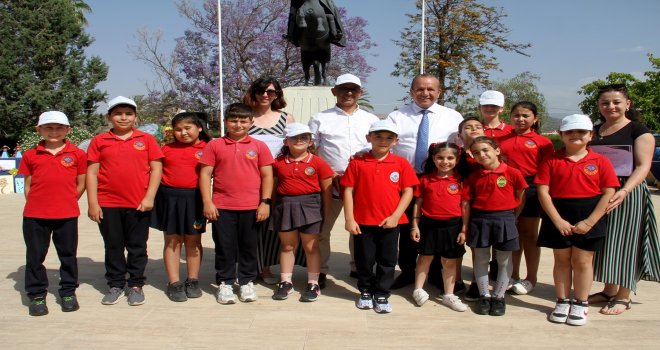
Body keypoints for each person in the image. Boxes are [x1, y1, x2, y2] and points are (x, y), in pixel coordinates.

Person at [536, 114, 618, 326]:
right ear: (561, 135)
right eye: (570, 132)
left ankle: (581, 302)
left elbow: (608, 192)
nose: (575, 135)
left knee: (582, 261)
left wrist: (590, 222)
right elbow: (543, 192)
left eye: (581, 132)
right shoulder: (551, 160)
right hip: (559, 214)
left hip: (589, 214)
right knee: (562, 260)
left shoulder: (600, 161)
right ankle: (562, 301)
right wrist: (557, 220)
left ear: (591, 135)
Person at [387, 73, 464, 290]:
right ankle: (408, 272)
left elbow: (463, 147)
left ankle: (439, 274)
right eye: (420, 89)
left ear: (439, 92)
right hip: (407, 180)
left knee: (440, 227)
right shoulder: (397, 117)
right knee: (408, 227)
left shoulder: (453, 117)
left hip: (441, 180)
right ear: (412, 92)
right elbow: (384, 143)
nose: (425, 93)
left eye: (431, 89)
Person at [589, 84, 660, 315]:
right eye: (605, 103)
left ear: (627, 104)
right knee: (608, 243)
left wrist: (625, 190)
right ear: (599, 107)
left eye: (616, 102)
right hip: (599, 192)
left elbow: (643, 166)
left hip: (627, 193)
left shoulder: (638, 131)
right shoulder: (595, 131)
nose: (611, 106)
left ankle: (624, 295)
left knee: (626, 243)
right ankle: (609, 290)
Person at [87, 96, 164, 306]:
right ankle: (115, 284)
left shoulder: (146, 140)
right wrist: (93, 203)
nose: (123, 117)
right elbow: (92, 173)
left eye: (128, 114)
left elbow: (157, 169)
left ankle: (136, 284)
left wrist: (149, 197)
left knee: (137, 246)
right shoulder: (99, 141)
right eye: (118, 113)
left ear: (135, 117)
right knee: (113, 246)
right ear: (109, 116)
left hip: (138, 204)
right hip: (108, 204)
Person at [199, 103, 274, 304]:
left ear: (251, 122)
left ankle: (247, 281)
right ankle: (225, 282)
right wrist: (208, 202)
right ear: (226, 122)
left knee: (249, 247)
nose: (238, 124)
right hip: (222, 207)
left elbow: (267, 175)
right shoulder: (214, 145)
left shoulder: (259, 146)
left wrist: (265, 202)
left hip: (252, 207)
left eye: (243, 120)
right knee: (225, 247)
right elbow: (205, 174)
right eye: (233, 120)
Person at [308, 73, 379, 287]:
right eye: (343, 89)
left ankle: (358, 266)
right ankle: (319, 270)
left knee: (360, 228)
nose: (348, 93)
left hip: (362, 182)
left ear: (360, 93)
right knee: (322, 229)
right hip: (330, 182)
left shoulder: (371, 120)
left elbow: (376, 150)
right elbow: (311, 150)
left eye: (353, 89)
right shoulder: (320, 118)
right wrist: (328, 173)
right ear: (334, 91)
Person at [341, 120, 419, 313]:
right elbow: (348, 190)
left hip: (390, 223)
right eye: (378, 136)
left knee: (388, 259)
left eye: (388, 138)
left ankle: (382, 293)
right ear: (369, 138)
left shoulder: (401, 163)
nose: (383, 141)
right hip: (363, 221)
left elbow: (408, 191)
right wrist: (349, 218)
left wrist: (396, 216)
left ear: (395, 141)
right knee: (364, 259)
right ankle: (366, 290)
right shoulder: (357, 162)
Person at [18, 111, 87, 316]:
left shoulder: (77, 154)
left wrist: (66, 201)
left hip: (66, 214)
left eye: (59, 128)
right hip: (35, 215)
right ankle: (37, 294)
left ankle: (67, 292)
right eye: (48, 128)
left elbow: (81, 183)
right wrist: (38, 203)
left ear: (68, 130)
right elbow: (28, 185)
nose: (54, 132)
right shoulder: (31, 154)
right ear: (38, 130)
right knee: (35, 256)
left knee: (67, 255)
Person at [150, 111, 211, 302]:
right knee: (173, 241)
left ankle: (192, 280)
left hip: (195, 199)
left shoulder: (208, 148)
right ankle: (174, 283)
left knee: (193, 242)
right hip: (169, 199)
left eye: (187, 128)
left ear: (199, 128)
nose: (183, 132)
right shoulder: (165, 149)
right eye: (178, 129)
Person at [462, 136, 527, 316]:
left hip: (505, 219)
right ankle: (484, 295)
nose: (481, 155)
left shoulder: (513, 173)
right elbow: (467, 202)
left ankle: (499, 296)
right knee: (481, 258)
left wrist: (513, 216)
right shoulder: (473, 176)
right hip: (480, 219)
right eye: (476, 153)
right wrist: (465, 227)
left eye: (485, 150)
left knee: (504, 260)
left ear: (497, 150)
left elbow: (520, 195)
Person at [243, 76, 297, 286]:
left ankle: (266, 265)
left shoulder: (286, 118)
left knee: (271, 225)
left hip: (278, 180)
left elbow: (293, 147)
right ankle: (253, 266)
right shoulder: (246, 117)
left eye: (271, 92)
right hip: (249, 178)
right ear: (254, 92)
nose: (265, 95)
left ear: (277, 95)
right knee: (251, 223)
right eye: (261, 90)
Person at [271, 123, 333, 302]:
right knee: (287, 246)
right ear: (286, 141)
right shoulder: (278, 163)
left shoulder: (318, 163)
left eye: (304, 137)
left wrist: (325, 214)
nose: (299, 141)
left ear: (310, 142)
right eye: (294, 137)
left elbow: (326, 192)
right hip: (285, 206)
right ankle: (285, 282)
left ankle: (313, 283)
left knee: (311, 247)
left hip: (311, 207)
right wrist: (275, 208)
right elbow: (274, 188)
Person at [499, 102, 555, 295]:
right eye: (516, 115)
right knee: (512, 234)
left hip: (532, 187)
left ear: (535, 119)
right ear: (510, 117)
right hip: (507, 187)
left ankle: (531, 277)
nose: (520, 119)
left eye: (525, 115)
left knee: (529, 235)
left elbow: (548, 169)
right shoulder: (502, 139)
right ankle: (513, 275)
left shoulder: (543, 142)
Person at [410, 142, 468, 312]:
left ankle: (449, 294)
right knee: (424, 257)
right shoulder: (425, 179)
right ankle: (418, 289)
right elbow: (418, 203)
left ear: (457, 160)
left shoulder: (461, 181)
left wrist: (464, 229)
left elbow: (465, 206)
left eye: (450, 158)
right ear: (433, 159)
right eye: (440, 157)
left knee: (449, 261)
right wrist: (415, 225)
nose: (445, 161)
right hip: (429, 225)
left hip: (453, 226)